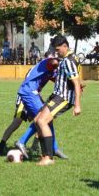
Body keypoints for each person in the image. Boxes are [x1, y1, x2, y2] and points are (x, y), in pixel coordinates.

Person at [0, 57, 67, 159]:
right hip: (26, 94)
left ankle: (39, 146)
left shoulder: (51, 71)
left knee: (45, 118)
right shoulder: (47, 63)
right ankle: (1, 146)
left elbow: (59, 80)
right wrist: (62, 62)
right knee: (17, 122)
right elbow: (53, 62)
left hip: (34, 95)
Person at [34, 35, 82, 166]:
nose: (57, 52)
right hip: (56, 95)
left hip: (63, 98)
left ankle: (48, 157)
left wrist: (77, 105)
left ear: (65, 46)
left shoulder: (68, 61)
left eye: (58, 49)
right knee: (37, 120)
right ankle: (44, 155)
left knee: (42, 121)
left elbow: (76, 83)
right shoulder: (69, 58)